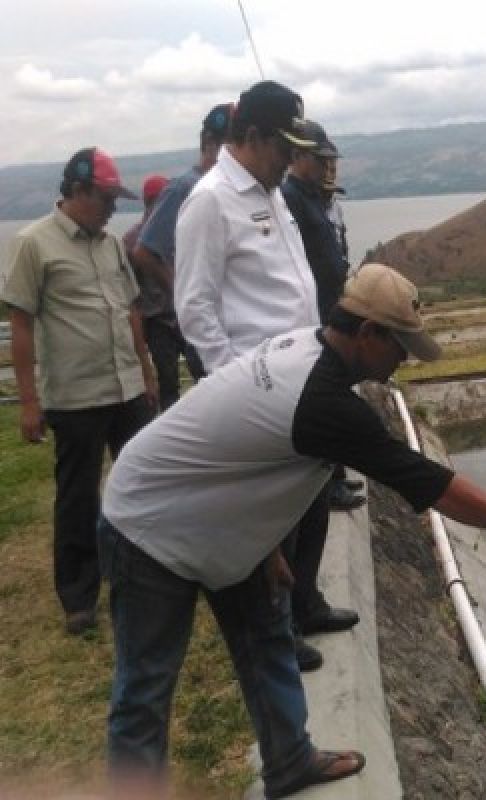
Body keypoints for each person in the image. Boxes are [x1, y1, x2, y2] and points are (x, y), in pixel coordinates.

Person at [99, 263, 486, 798]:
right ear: (368, 333)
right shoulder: (325, 402)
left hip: (213, 515)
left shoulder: (309, 348)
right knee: (146, 685)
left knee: (267, 632)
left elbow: (252, 457)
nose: (404, 358)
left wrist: (265, 546)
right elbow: (432, 486)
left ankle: (289, 761)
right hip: (147, 522)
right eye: (400, 346)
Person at [173, 80, 341, 671]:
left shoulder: (270, 192)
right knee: (273, 517)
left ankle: (307, 601)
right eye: (283, 148)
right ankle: (279, 632)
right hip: (258, 389)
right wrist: (232, 384)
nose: (291, 161)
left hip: (302, 374)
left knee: (313, 498)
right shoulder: (211, 201)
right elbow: (195, 307)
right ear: (251, 137)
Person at [1, 147, 158, 634]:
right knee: (77, 496)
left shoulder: (110, 245)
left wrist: (147, 370)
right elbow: (21, 323)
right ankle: (79, 597)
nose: (113, 208)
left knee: (142, 482)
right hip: (76, 395)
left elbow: (130, 310)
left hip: (126, 386)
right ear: (78, 191)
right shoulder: (34, 244)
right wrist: (29, 401)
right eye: (107, 197)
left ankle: (146, 575)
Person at [281, 120, 365, 512]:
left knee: (335, 395)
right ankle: (326, 484)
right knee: (323, 399)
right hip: (315, 317)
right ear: (300, 157)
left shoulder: (313, 197)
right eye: (321, 160)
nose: (327, 168)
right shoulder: (291, 198)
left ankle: (335, 476)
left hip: (331, 309)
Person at [129, 103, 234, 409]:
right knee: (192, 390)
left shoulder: (228, 188)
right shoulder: (185, 188)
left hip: (216, 319)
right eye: (230, 143)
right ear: (210, 144)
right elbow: (145, 251)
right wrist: (183, 291)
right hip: (183, 321)